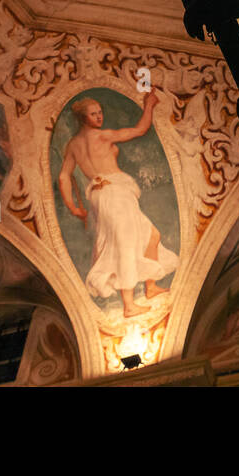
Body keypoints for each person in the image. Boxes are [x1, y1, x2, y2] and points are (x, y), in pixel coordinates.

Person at [57, 92, 178, 317]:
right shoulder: (101, 137)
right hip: (113, 193)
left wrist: (74, 207)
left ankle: (150, 287)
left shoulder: (73, 145)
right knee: (124, 244)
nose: (99, 117)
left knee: (151, 235)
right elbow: (140, 130)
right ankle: (129, 305)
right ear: (84, 118)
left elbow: (64, 177)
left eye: (100, 112)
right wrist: (149, 105)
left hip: (106, 195)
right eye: (94, 114)